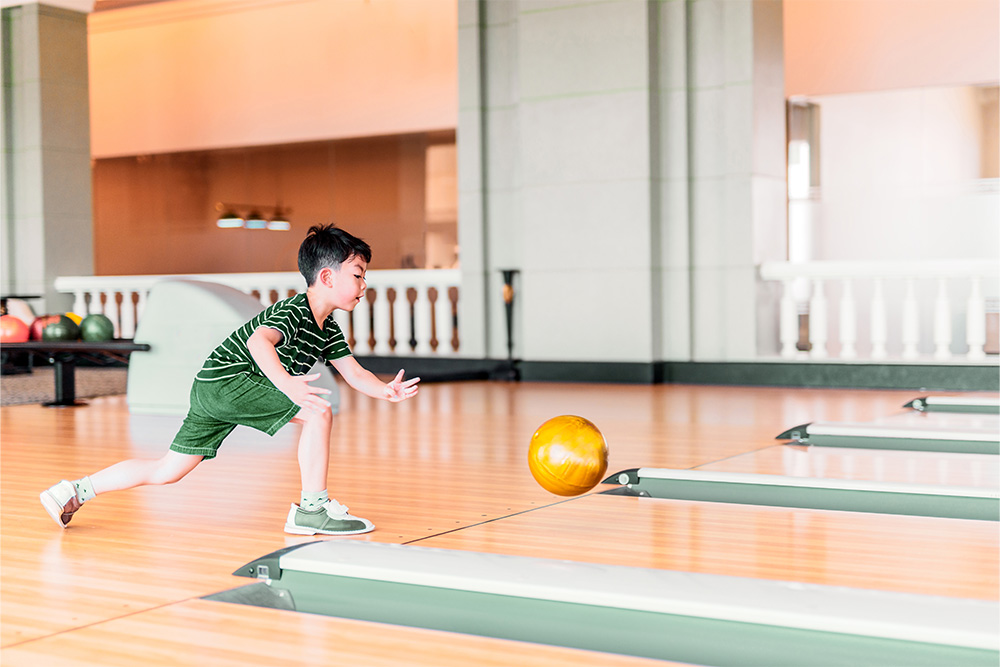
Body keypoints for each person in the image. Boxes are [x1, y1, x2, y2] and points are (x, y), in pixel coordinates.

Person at [40, 224, 418, 536]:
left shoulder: (327, 327)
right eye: (358, 274)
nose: (364, 284)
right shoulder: (293, 310)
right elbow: (258, 341)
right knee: (317, 412)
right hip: (228, 382)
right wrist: (288, 384)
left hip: (211, 387)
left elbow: (352, 371)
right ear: (326, 275)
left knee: (166, 471)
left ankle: (72, 491)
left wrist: (385, 390)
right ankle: (311, 509)